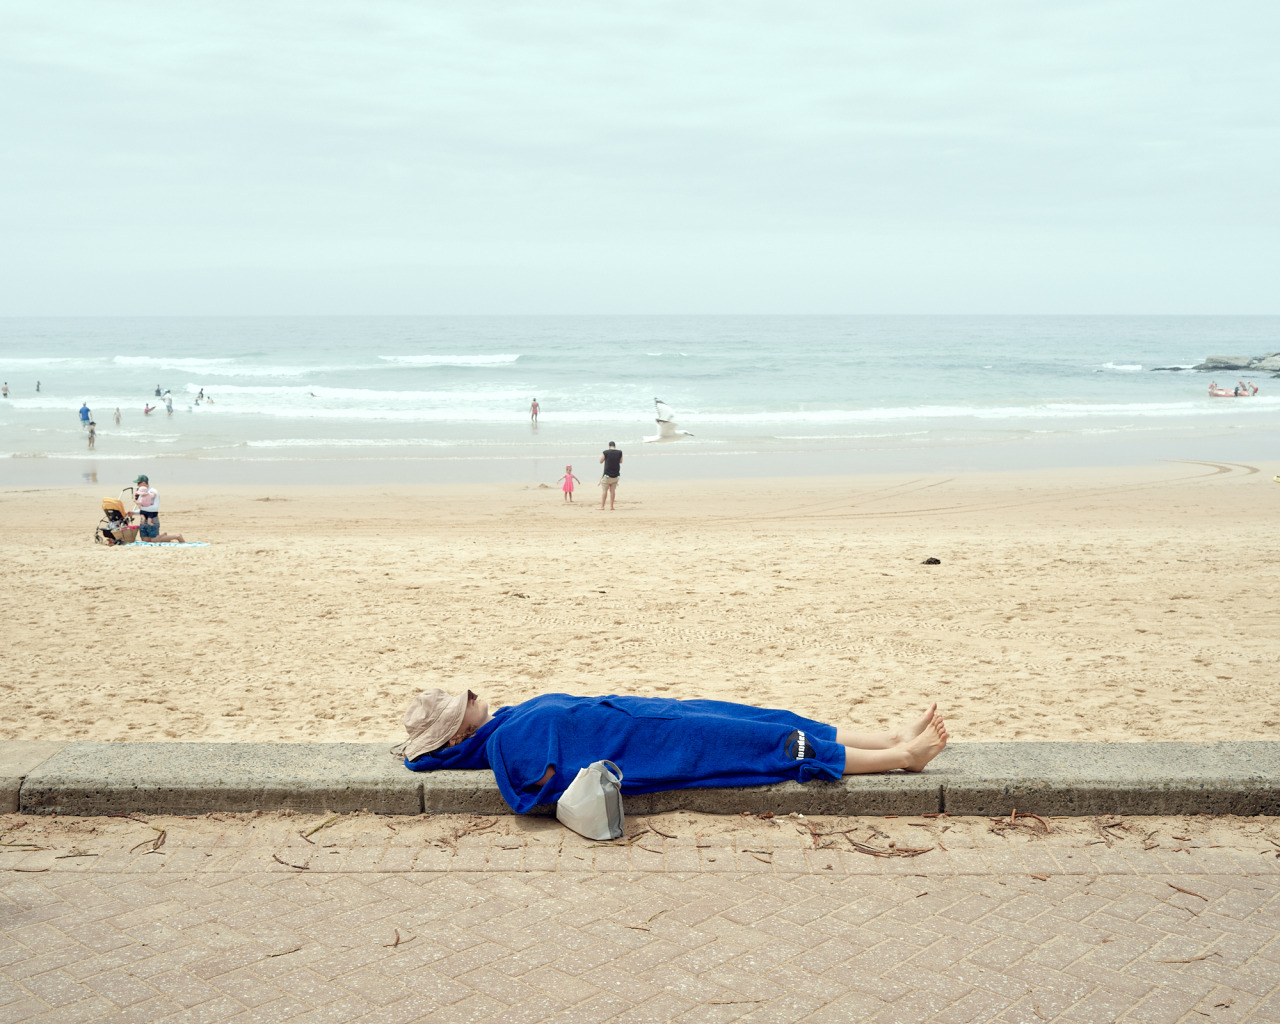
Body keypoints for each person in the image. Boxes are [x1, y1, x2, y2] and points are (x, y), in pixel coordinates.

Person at [401, 690, 949, 815]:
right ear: (455, 737)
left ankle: (887, 738)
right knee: (768, 745)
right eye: (460, 705)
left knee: (760, 718)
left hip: (655, 717)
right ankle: (902, 760)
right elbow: (546, 780)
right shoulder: (504, 741)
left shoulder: (502, 721)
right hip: (655, 744)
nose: (471, 695)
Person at [131, 474, 185, 543]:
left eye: (138, 483)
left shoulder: (153, 492)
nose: (137, 485)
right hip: (144, 519)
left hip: (152, 518)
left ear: (144, 483)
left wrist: (141, 507)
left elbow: (154, 508)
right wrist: (134, 512)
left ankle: (177, 536)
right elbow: (144, 508)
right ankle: (163, 535)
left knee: (154, 540)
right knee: (145, 540)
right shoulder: (142, 493)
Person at [599, 441, 622, 510]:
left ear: (609, 446)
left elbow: (601, 461)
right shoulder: (619, 452)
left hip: (607, 475)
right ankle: (611, 506)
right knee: (612, 491)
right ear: (614, 446)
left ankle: (602, 506)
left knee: (604, 491)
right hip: (616, 475)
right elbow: (621, 461)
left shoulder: (605, 452)